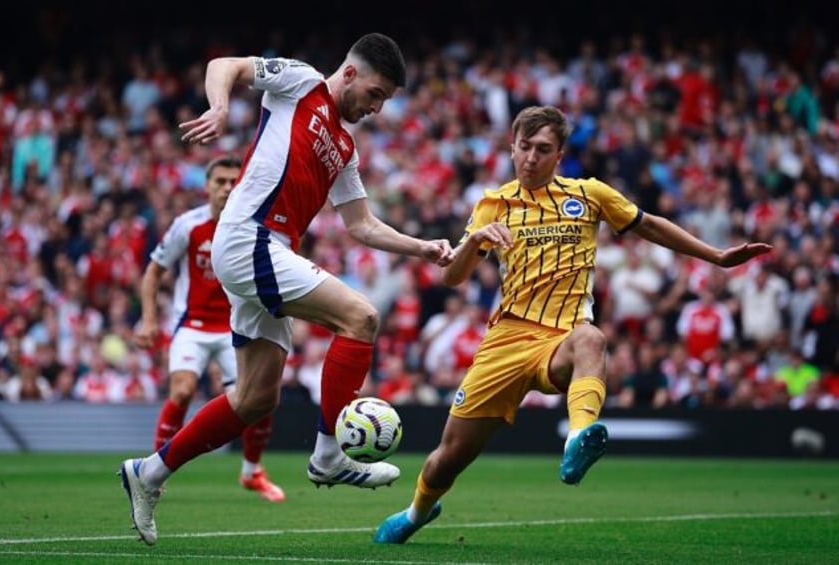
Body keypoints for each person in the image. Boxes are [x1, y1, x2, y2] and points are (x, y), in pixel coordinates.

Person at [373, 105, 772, 544]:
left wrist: (716, 257)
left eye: (543, 149)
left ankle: (577, 439)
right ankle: (415, 514)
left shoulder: (590, 195)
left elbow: (650, 226)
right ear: (511, 147)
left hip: (562, 338)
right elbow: (451, 277)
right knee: (449, 457)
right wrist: (475, 240)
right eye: (524, 147)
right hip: (506, 341)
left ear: (560, 154)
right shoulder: (493, 205)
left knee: (592, 338)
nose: (531, 157)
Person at [119, 32, 454, 545]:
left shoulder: (345, 146)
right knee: (361, 317)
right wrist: (220, 106)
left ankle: (149, 473)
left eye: (385, 100)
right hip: (248, 237)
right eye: (374, 94)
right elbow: (223, 62)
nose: (376, 108)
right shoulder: (300, 82)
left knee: (254, 399)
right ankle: (327, 455)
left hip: (270, 252)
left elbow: (360, 225)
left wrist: (421, 247)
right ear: (349, 74)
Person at [133, 156, 285, 503]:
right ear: (208, 186)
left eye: (234, 181)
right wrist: (149, 318)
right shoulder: (188, 225)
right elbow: (154, 271)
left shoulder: (254, 224)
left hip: (237, 326)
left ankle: (252, 471)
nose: (228, 187)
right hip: (193, 324)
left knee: (260, 401)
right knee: (183, 390)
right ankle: (154, 474)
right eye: (221, 181)